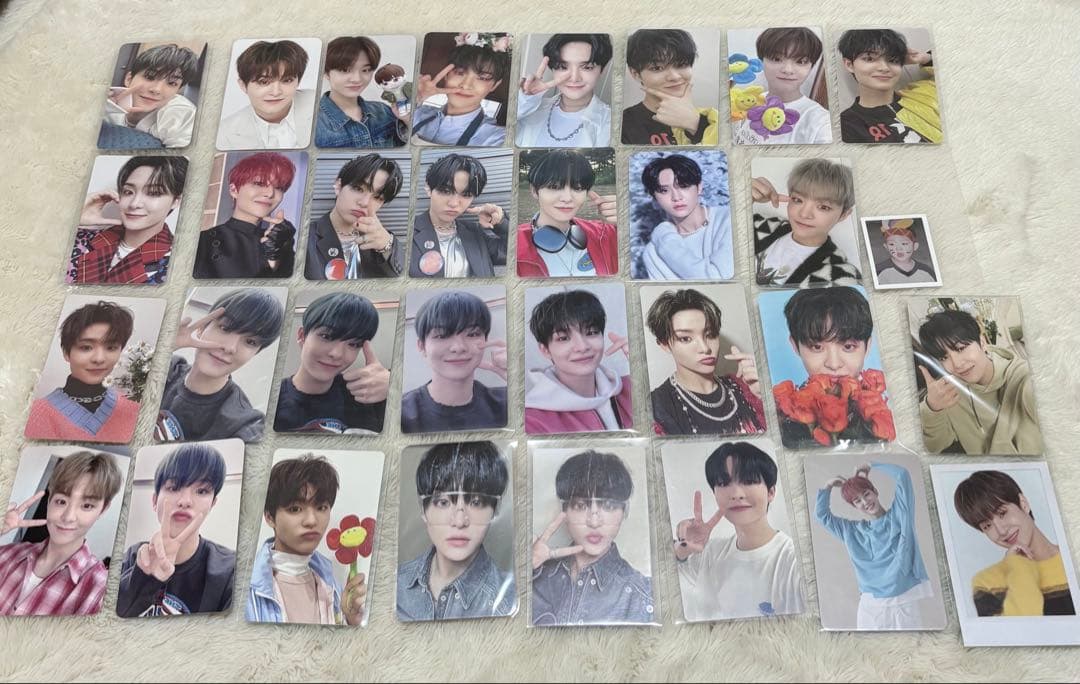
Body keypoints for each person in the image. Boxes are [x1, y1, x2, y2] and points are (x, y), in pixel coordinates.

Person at [672, 442, 804, 621]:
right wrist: (681, 549)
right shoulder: (710, 552)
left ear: (771, 492)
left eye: (749, 480)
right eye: (723, 483)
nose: (736, 493)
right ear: (715, 494)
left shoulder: (794, 561)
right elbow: (669, 572)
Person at [531, 449, 654, 626]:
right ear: (564, 511)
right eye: (580, 505)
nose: (594, 522)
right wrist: (525, 569)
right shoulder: (535, 573)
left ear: (624, 511)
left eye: (609, 506)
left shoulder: (643, 597)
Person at [397, 442, 515, 621]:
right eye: (443, 502)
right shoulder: (395, 584)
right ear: (423, 509)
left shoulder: (510, 599)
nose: (459, 522)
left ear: (495, 509)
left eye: (476, 502)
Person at [117, 443, 235, 617]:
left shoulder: (230, 571)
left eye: (201, 491)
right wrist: (143, 579)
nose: (185, 501)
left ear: (212, 504)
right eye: (173, 488)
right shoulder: (133, 558)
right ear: (155, 501)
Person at [246, 455, 366, 625]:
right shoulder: (244, 590)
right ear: (270, 517)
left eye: (321, 507)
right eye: (295, 509)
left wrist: (352, 620)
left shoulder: (332, 584)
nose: (311, 520)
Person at [0, 451, 123, 615]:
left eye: (87, 506)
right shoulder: (8, 554)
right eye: (61, 501)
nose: (68, 517)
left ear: (103, 509)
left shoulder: (101, 590)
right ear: (49, 500)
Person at [816, 462, 935, 629]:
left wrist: (872, 465)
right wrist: (828, 486)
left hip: (903, 603)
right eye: (857, 501)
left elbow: (902, 475)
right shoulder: (852, 531)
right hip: (871, 608)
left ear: (875, 492)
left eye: (866, 494)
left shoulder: (900, 515)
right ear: (854, 506)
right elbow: (821, 515)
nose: (865, 502)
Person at [156, 288, 284, 443]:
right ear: (202, 328)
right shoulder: (168, 367)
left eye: (250, 342)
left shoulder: (243, 425)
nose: (230, 347)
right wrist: (164, 348)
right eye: (225, 328)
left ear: (255, 353)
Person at [775, 287, 895, 447]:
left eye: (848, 346)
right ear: (795, 346)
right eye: (817, 347)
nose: (833, 364)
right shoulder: (784, 416)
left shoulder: (892, 410)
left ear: (867, 347)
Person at [916, 309, 1043, 455]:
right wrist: (932, 408)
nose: (957, 364)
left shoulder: (1025, 379)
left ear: (982, 342)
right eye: (944, 358)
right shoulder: (948, 394)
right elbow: (935, 446)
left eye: (961, 349)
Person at [954, 470, 1075, 617]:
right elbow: (1023, 629)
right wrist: (1018, 565)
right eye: (987, 526)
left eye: (1002, 513)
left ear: (1023, 504)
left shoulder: (1074, 557)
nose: (1001, 530)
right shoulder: (987, 584)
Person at [645, 289, 765, 436]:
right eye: (685, 338)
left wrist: (763, 397)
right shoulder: (655, 407)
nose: (705, 348)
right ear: (664, 344)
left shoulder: (744, 386)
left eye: (710, 334)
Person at [274, 293, 390, 435]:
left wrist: (393, 389)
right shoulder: (272, 400)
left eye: (353, 344)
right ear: (302, 336)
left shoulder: (368, 393)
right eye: (326, 336)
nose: (337, 354)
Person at [25, 301, 140, 443]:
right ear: (66, 353)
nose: (99, 359)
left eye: (111, 347)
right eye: (86, 347)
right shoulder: (34, 415)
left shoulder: (134, 408)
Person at [524, 289, 632, 434]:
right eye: (563, 338)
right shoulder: (531, 421)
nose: (582, 347)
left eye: (591, 332)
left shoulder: (631, 387)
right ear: (545, 350)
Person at [69, 156, 188, 284]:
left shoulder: (179, 265)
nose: (134, 204)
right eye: (128, 192)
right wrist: (76, 219)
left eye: (153, 192)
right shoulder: (84, 237)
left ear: (176, 201)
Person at [401, 290, 507, 433]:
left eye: (472, 334)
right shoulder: (401, 414)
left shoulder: (507, 402)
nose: (458, 347)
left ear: (485, 341)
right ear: (422, 346)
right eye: (442, 336)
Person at [753, 158, 861, 286]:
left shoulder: (841, 276)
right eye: (798, 200)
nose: (804, 214)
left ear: (844, 214)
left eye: (823, 207)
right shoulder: (763, 226)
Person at [193, 152, 297, 279]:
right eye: (259, 183)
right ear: (234, 190)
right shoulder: (202, 243)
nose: (270, 193)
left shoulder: (280, 240)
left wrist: (279, 254)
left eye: (279, 187)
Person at [516, 149, 618, 278]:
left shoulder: (606, 233)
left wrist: (631, 221)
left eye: (578, 188)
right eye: (554, 187)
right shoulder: (515, 244)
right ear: (534, 191)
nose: (567, 198)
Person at [305, 154, 404, 280]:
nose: (365, 203)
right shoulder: (306, 238)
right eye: (358, 188)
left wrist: (386, 247)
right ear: (338, 186)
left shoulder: (383, 241)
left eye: (377, 197)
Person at [410, 153, 508, 278]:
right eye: (446, 191)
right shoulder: (411, 231)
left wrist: (500, 222)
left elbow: (512, 253)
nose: (454, 203)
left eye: (466, 195)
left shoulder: (475, 232)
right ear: (428, 188)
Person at [638, 154, 733, 280]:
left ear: (699, 187)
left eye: (683, 186)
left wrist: (665, 241)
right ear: (655, 199)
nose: (676, 197)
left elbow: (717, 279)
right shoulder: (652, 253)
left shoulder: (730, 220)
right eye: (664, 190)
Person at [836, 29, 941, 144]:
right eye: (870, 58)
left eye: (893, 60)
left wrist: (926, 58)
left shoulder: (923, 94)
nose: (884, 68)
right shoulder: (846, 125)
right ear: (849, 65)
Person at [732, 28, 831, 145]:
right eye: (777, 59)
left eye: (801, 61)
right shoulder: (748, 102)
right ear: (761, 61)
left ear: (811, 67)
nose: (788, 70)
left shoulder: (821, 123)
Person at [621, 29, 718, 146]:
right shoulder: (622, 125)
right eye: (657, 68)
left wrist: (695, 124)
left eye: (681, 64)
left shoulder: (713, 119)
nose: (674, 77)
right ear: (636, 74)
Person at [411, 33, 510, 146]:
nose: (466, 85)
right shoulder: (417, 113)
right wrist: (414, 97)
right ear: (446, 75)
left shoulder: (497, 138)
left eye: (482, 78)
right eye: (459, 73)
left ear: (495, 85)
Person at [516, 33, 613, 147]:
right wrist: (526, 99)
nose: (574, 78)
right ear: (553, 69)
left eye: (587, 67)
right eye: (563, 67)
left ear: (601, 70)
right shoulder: (530, 109)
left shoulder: (610, 122)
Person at [217, 39, 315, 150]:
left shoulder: (318, 104)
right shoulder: (225, 133)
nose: (276, 92)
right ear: (243, 85)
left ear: (298, 82)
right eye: (264, 82)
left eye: (287, 80)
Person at [315, 36, 408, 148]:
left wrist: (407, 120)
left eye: (365, 70)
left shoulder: (385, 111)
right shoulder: (313, 123)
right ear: (326, 73)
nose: (357, 79)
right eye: (345, 70)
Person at [101, 43, 200, 149]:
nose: (157, 90)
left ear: (177, 90)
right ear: (129, 79)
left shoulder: (181, 113)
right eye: (150, 77)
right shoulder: (109, 103)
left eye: (172, 83)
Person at [874, 218, 936, 285]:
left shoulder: (926, 271)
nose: (899, 249)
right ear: (886, 247)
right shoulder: (877, 271)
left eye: (904, 244)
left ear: (915, 246)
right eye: (892, 244)